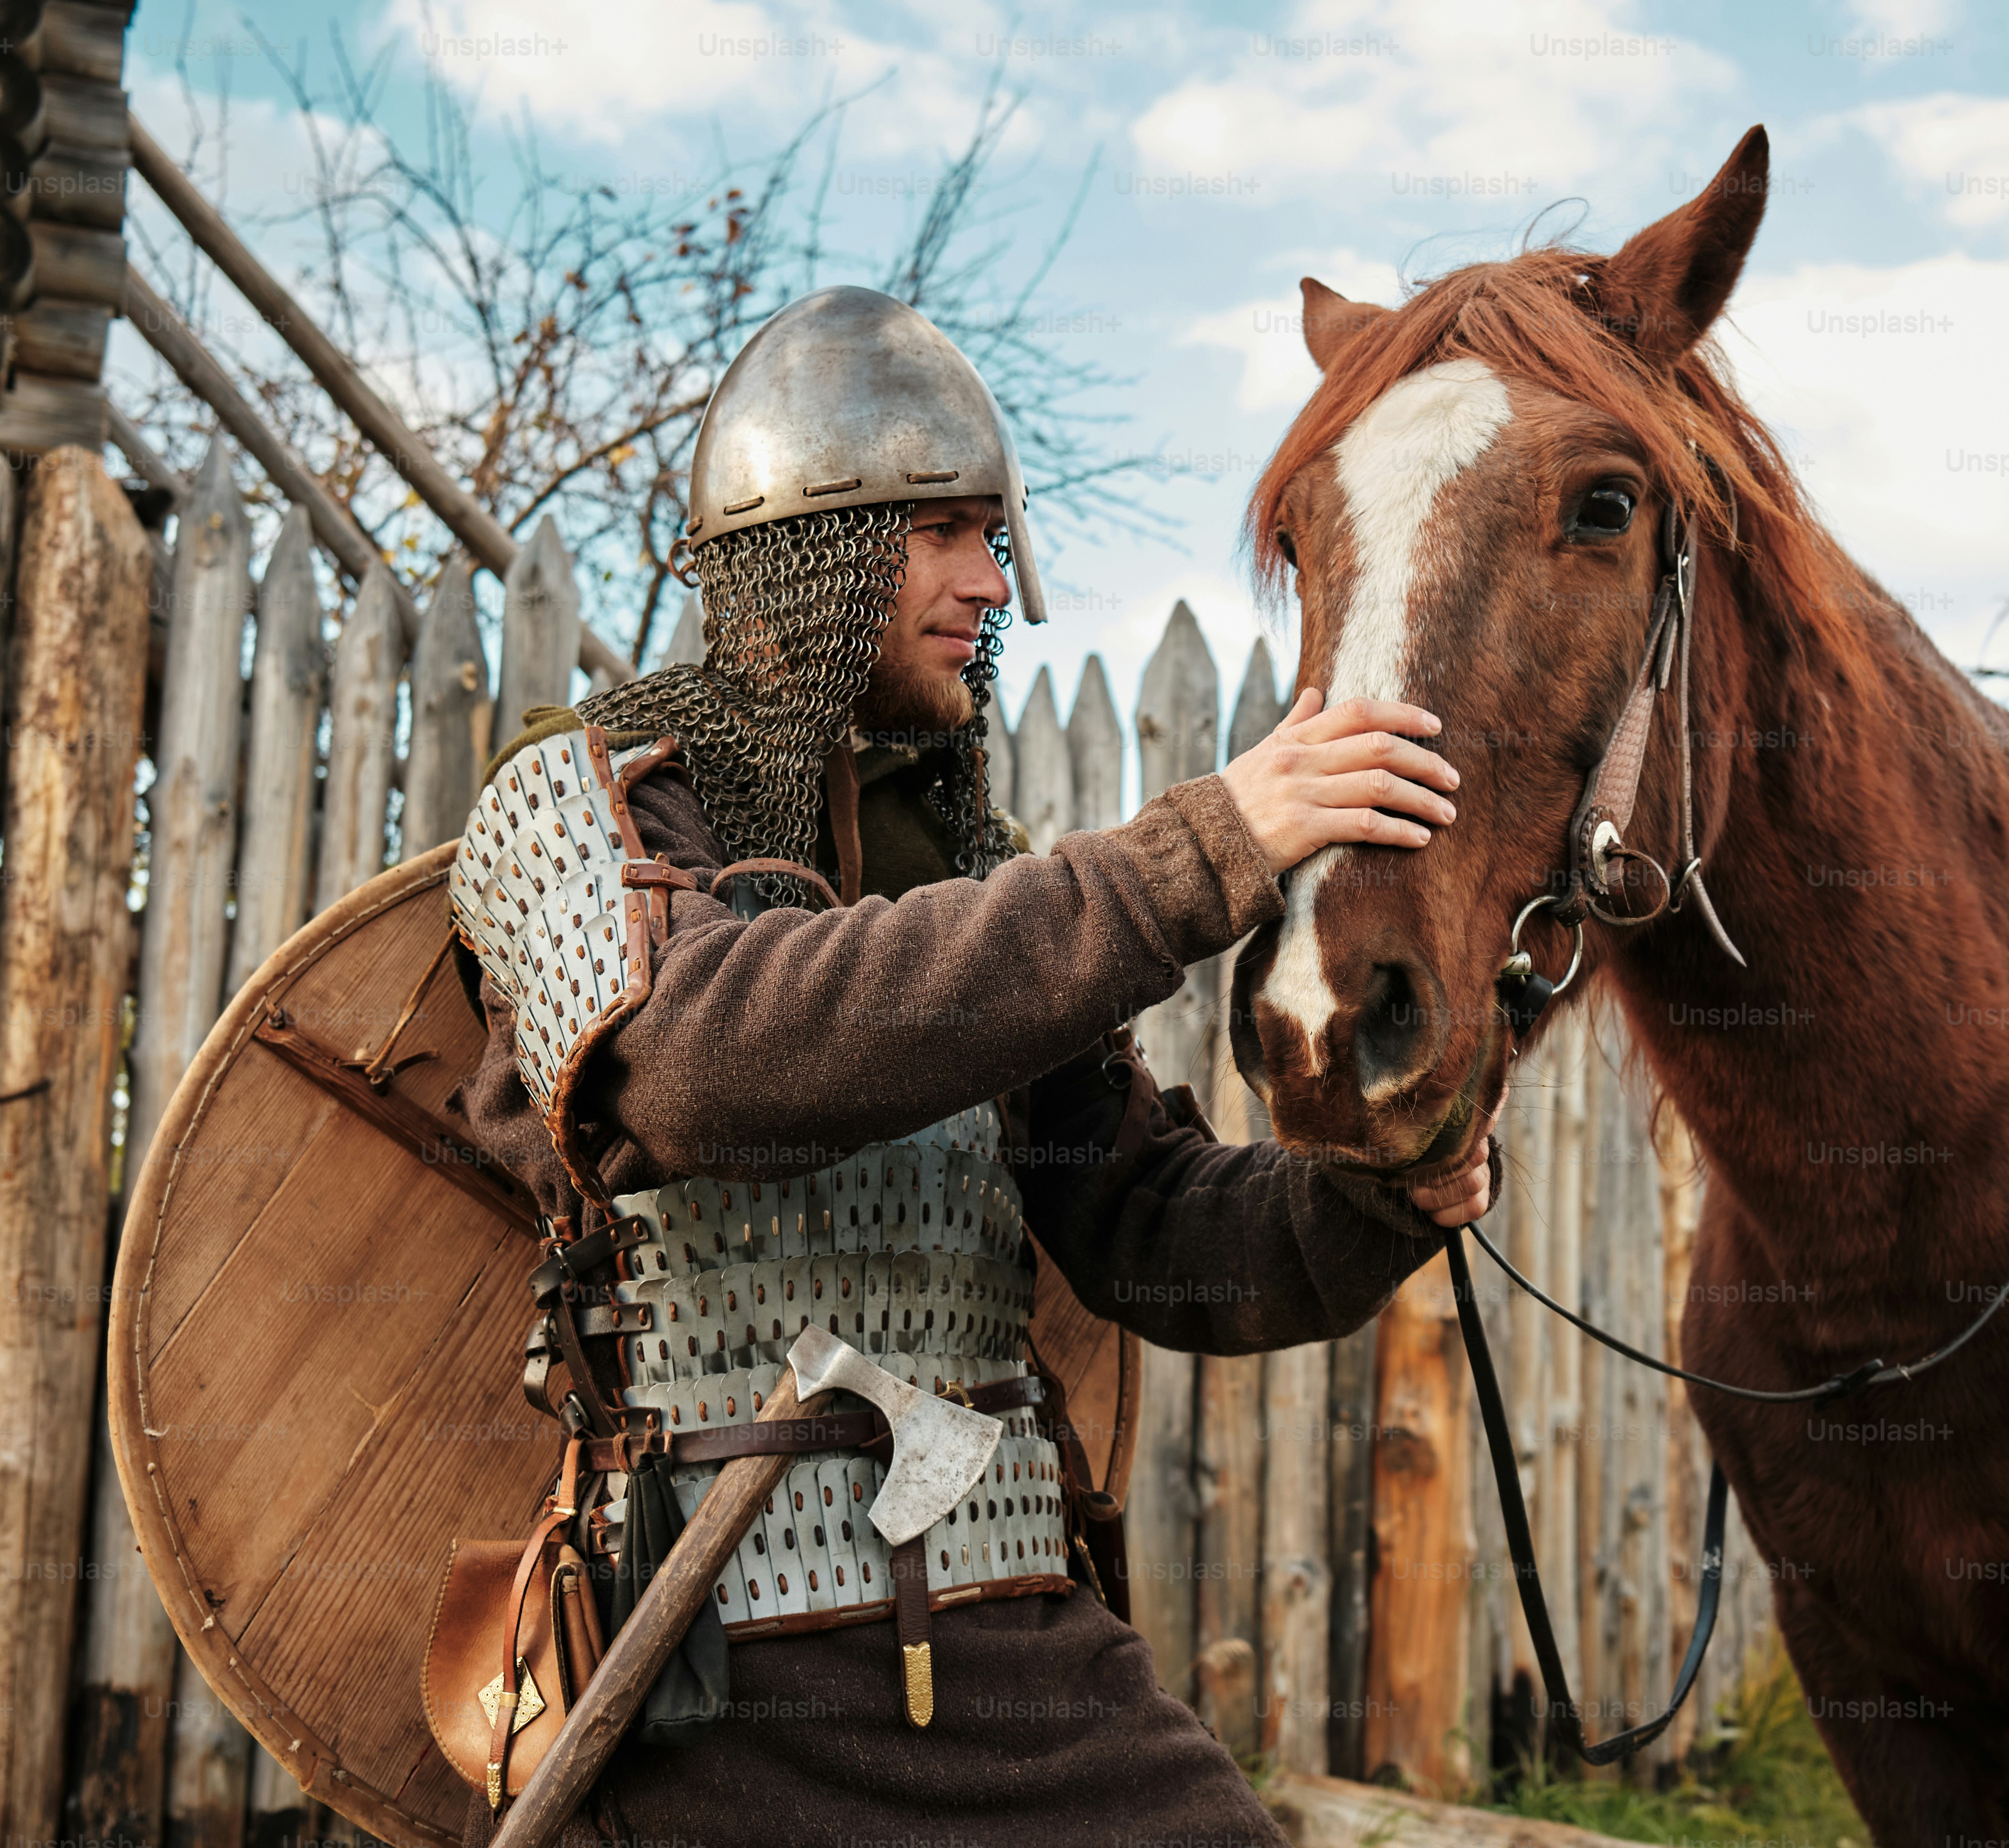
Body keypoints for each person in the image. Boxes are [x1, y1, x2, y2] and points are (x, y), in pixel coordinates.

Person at [450, 285, 1497, 1848]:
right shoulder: (573, 810)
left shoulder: (982, 876)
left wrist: (1377, 1194)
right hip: (708, 1649)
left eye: (992, 535)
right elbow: (700, 1069)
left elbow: (1152, 1229)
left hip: (1013, 1631)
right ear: (803, 549)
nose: (993, 583)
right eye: (944, 532)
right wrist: (1192, 855)